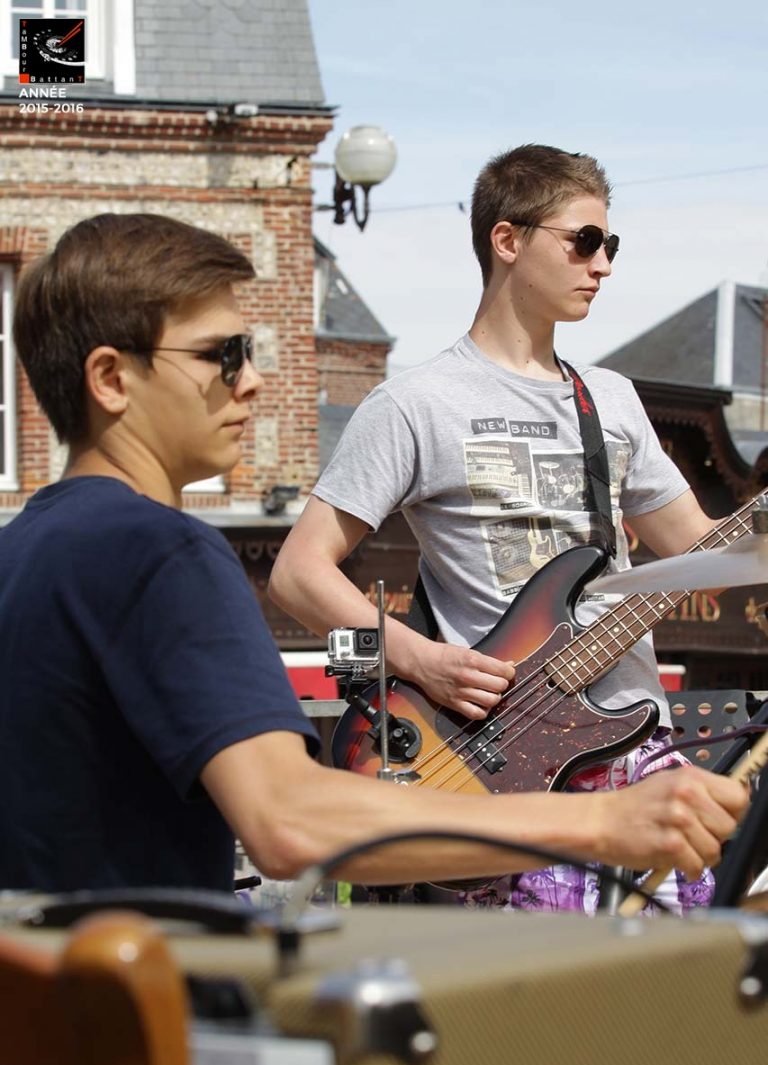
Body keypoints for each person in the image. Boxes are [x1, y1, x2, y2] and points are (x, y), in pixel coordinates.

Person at [1, 211, 744, 897]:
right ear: (111, 379)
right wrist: (603, 821)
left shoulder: (20, 553)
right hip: (139, 989)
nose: (252, 380)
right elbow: (289, 819)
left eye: (247, 352)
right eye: (221, 355)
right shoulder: (165, 553)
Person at [269, 144, 732, 914]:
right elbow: (298, 574)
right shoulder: (415, 403)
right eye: (584, 241)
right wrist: (426, 662)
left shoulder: (612, 400)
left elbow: (700, 550)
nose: (603, 264)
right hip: (501, 766)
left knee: (675, 975)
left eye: (611, 245)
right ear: (508, 240)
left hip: (634, 747)